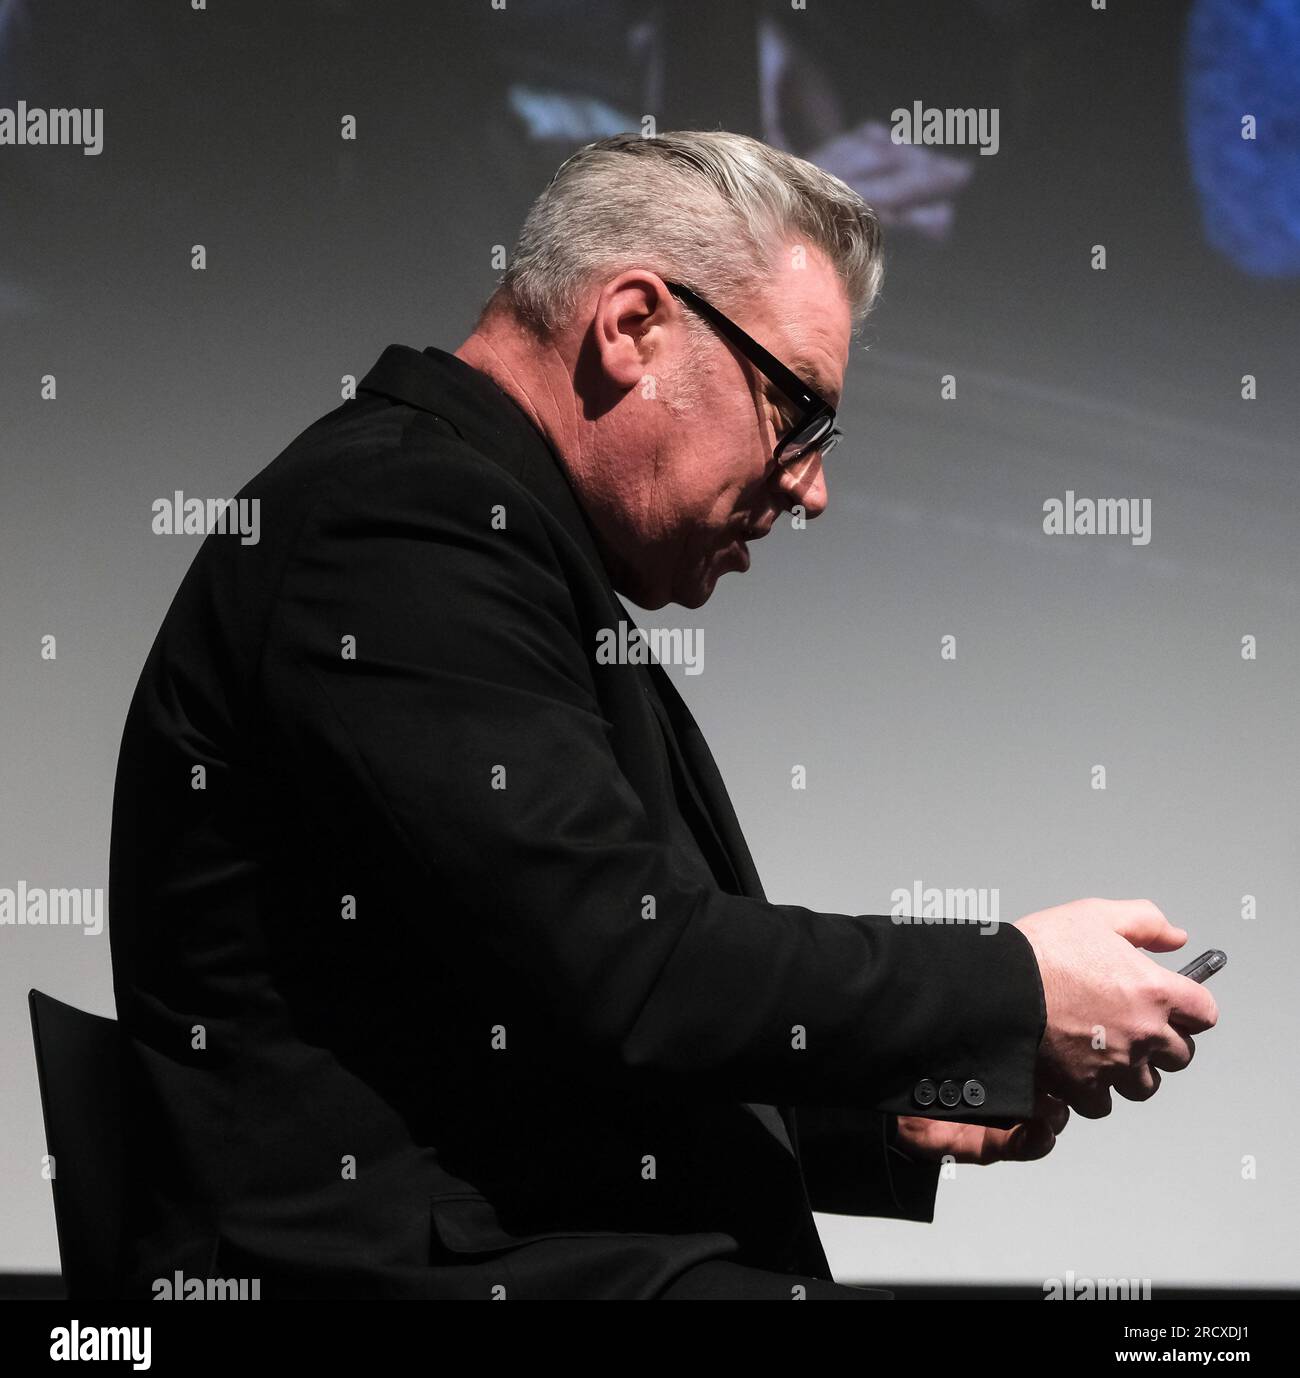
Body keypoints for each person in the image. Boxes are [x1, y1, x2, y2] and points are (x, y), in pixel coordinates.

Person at [108, 130, 1218, 1300]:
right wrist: (1015, 984)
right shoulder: (398, 525)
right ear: (633, 326)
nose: (812, 485)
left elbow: (535, 1017)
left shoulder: (488, 534)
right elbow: (627, 963)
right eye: (797, 410)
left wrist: (898, 1112)